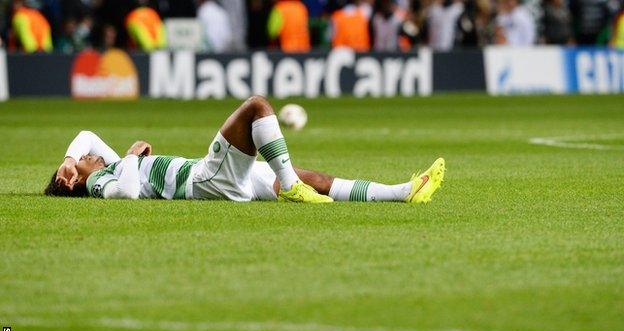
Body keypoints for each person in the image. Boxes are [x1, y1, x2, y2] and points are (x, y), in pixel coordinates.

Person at [45, 96, 446, 204]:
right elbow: (127, 193)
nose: (85, 155)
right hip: (206, 180)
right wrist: (132, 153)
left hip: (217, 181)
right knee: (257, 107)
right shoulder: (102, 178)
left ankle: (401, 192)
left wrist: (67, 161)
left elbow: (86, 134)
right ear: (76, 181)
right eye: (79, 162)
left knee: (317, 180)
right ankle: (289, 186)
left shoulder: (103, 165)